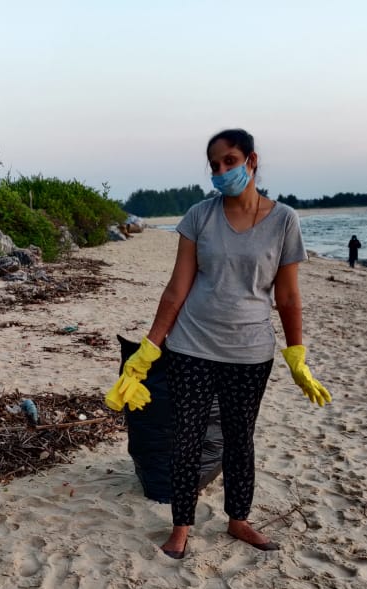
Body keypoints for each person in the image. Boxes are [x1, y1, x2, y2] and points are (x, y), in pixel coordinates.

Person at [105, 128, 331, 558]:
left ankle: (239, 520)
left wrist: (296, 355)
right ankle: (181, 526)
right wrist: (147, 351)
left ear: (252, 161)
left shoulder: (284, 221)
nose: (221, 171)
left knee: (239, 438)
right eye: (214, 165)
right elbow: (177, 289)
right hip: (192, 347)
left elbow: (287, 296)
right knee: (186, 437)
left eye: (229, 161)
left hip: (251, 353)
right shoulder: (199, 217)